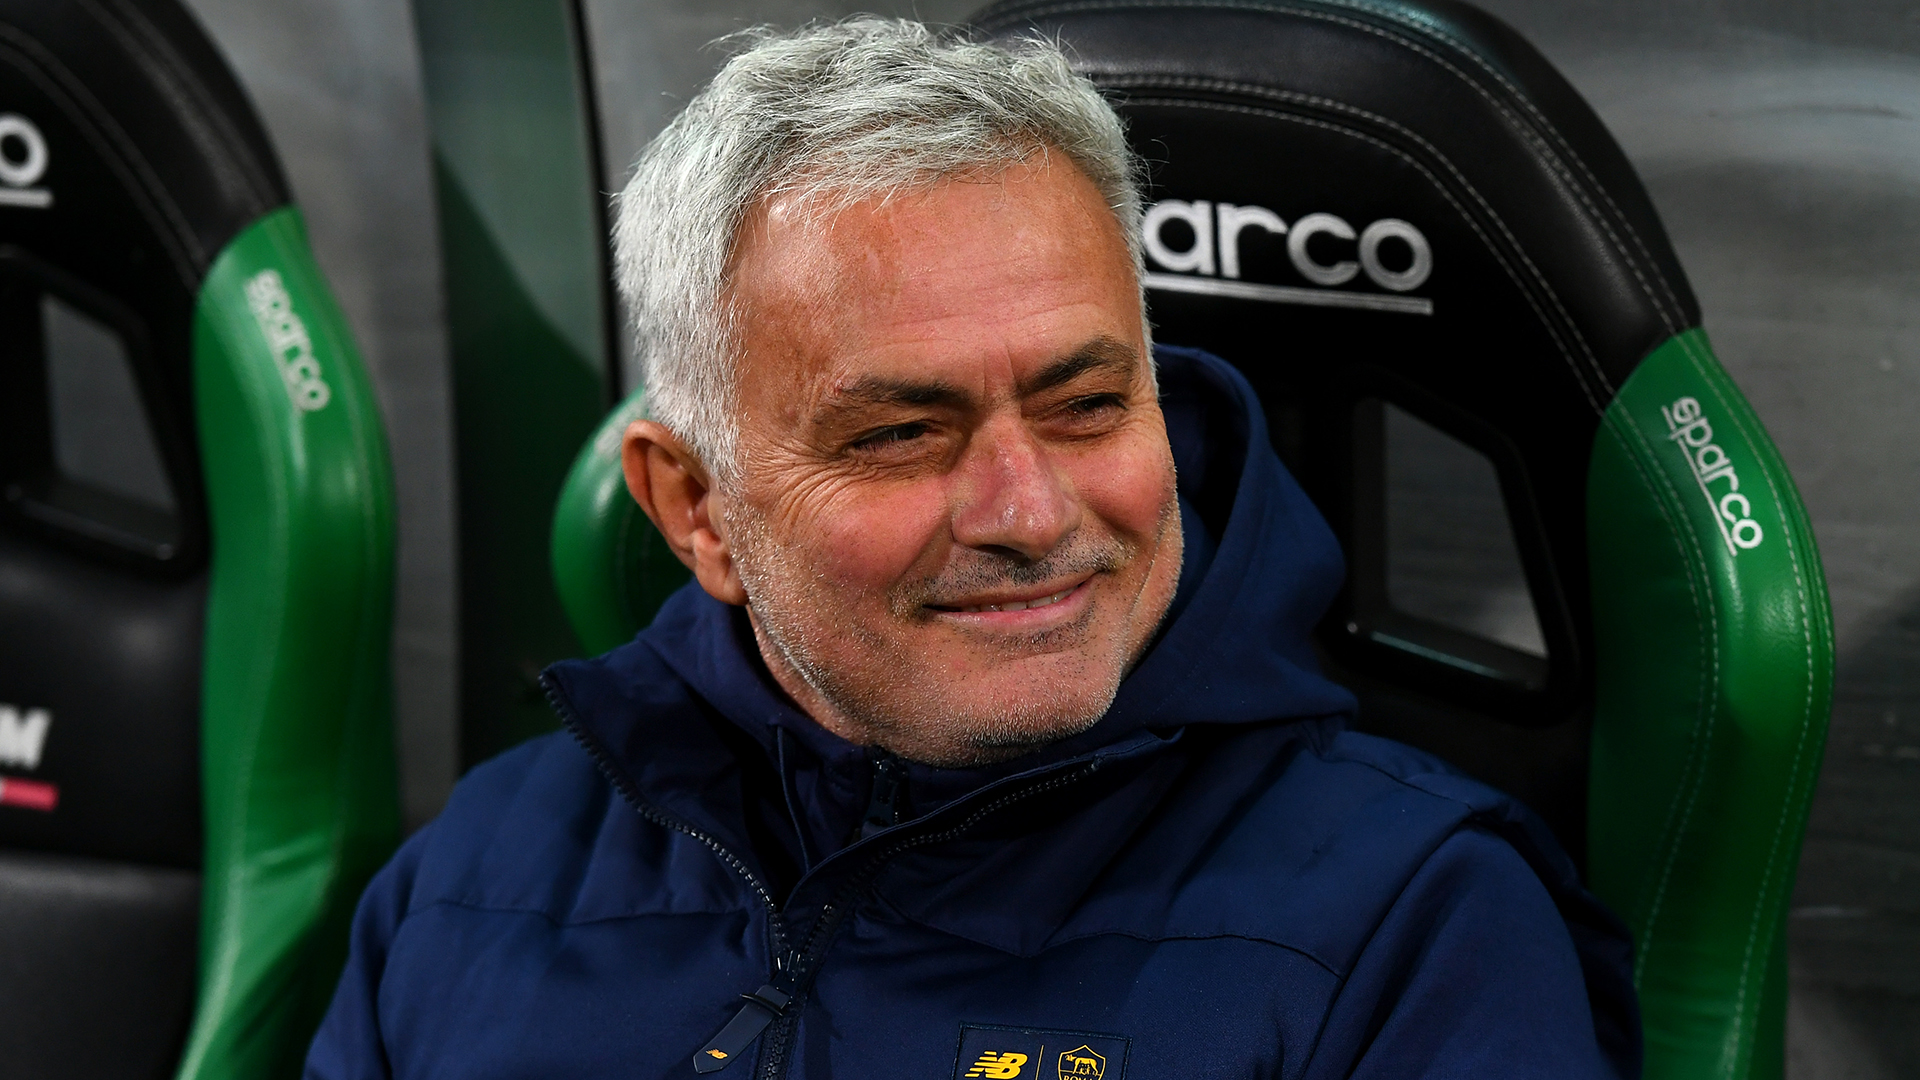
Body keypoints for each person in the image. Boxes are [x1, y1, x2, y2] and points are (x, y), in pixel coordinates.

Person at [306, 19, 1638, 1080]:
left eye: (1087, 407)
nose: (1031, 512)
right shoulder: (470, 887)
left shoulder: (1414, 924)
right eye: (899, 433)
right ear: (697, 510)